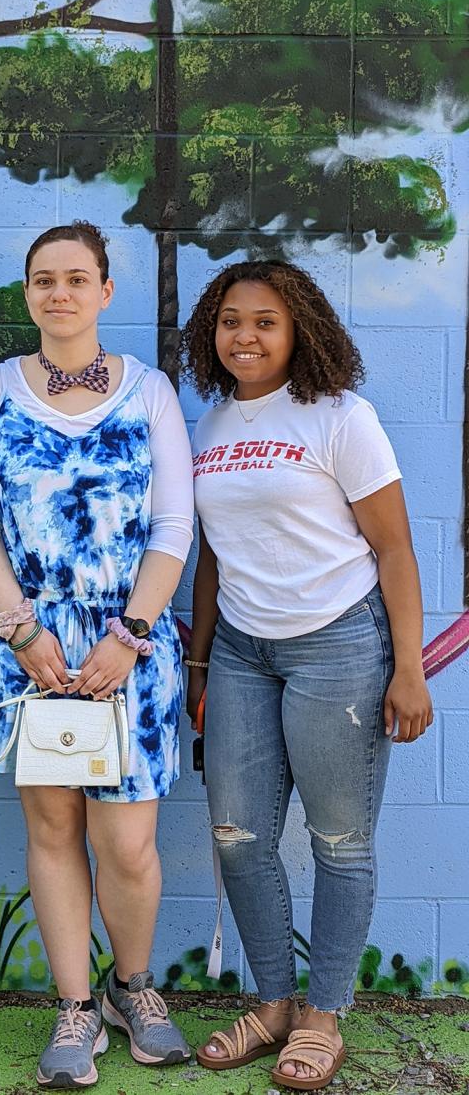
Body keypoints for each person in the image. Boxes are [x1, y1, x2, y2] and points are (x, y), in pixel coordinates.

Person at [182, 260, 433, 1092]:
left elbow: (394, 549)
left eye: (264, 321)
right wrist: (202, 659)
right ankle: (276, 1003)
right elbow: (212, 555)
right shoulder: (211, 427)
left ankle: (324, 1012)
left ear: (300, 331)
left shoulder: (340, 416)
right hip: (246, 654)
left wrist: (408, 668)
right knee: (239, 838)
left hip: (339, 646)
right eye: (229, 321)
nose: (244, 336)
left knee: (339, 841)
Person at [0, 222, 195, 1089]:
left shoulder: (150, 391)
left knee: (127, 842)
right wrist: (21, 630)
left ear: (104, 291)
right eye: (43, 280)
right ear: (28, 293)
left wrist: (129, 635)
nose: (59, 293)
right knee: (53, 828)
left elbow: (175, 526)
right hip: (33, 649)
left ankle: (135, 987)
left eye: (76, 278)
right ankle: (74, 1005)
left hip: (129, 646)